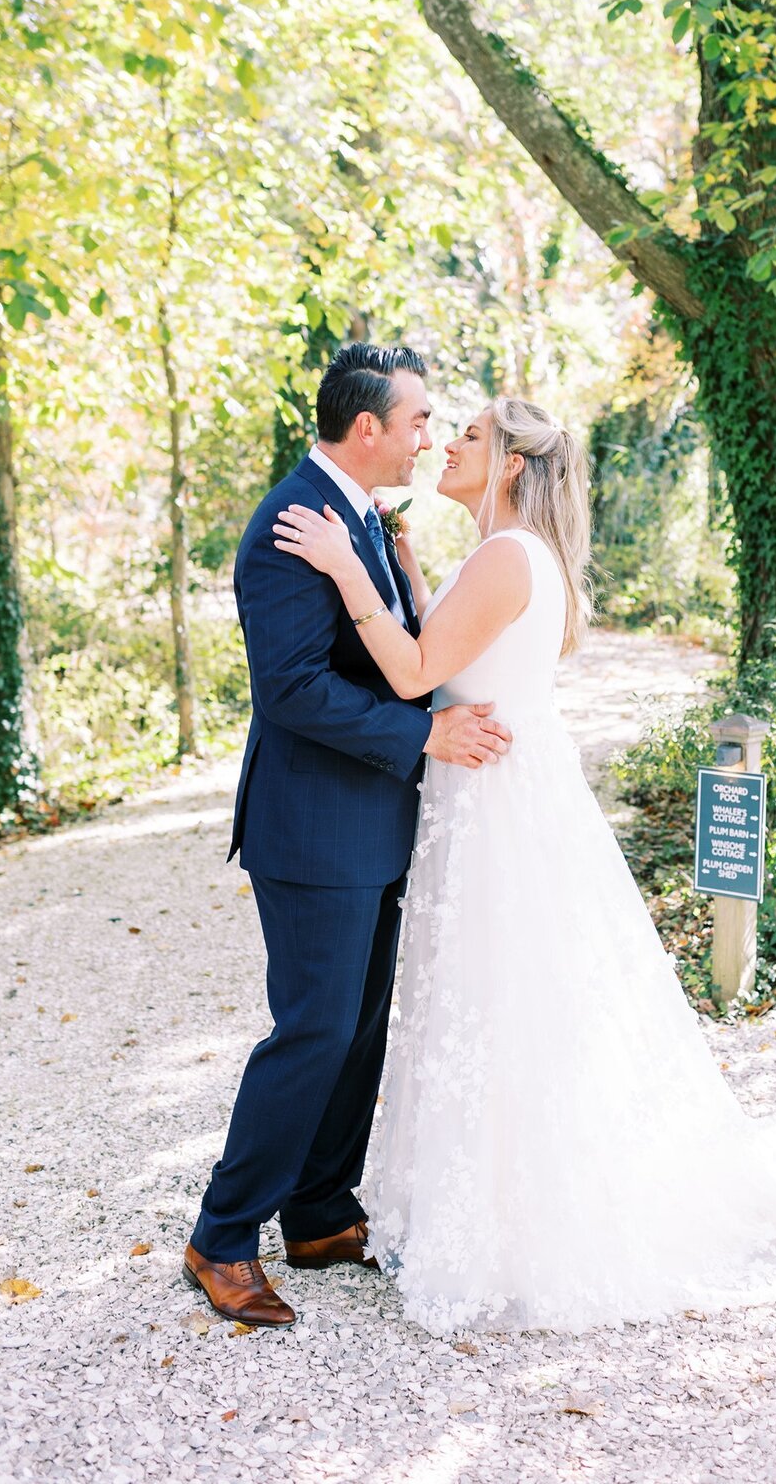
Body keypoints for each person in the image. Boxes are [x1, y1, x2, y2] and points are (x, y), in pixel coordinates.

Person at [273, 395, 776, 1336]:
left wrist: (346, 567)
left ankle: (524, 1223)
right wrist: (409, 568)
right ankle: (489, 1204)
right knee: (494, 1003)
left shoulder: (509, 556)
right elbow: (453, 650)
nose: (448, 445)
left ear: (508, 464)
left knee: (504, 999)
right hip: (492, 797)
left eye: (468, 435)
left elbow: (419, 673)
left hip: (499, 807)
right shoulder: (502, 555)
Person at [183, 345, 512, 1329]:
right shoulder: (291, 524)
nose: (426, 437)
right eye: (417, 421)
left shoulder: (364, 517)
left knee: (361, 1025)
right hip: (313, 824)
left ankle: (322, 1211)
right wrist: (425, 734)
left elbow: (388, 652)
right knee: (315, 1028)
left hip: (374, 817)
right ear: (366, 428)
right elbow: (292, 688)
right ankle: (223, 1235)